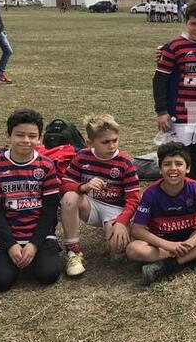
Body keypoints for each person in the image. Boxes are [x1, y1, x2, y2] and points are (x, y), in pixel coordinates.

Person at [126, 142, 196, 285]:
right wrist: (169, 246)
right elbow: (137, 229)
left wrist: (194, 240)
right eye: (167, 164)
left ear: (188, 168)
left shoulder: (194, 187)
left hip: (190, 238)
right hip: (162, 242)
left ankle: (167, 266)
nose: (173, 168)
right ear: (160, 169)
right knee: (133, 249)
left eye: (179, 164)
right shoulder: (151, 193)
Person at [0, 109, 62, 291]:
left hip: (41, 236)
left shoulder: (46, 166)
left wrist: (34, 244)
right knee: (0, 283)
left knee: (48, 275)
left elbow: (50, 210)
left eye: (32, 136)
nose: (26, 140)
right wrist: (10, 245)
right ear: (8, 135)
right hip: (11, 236)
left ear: (40, 139)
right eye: (20, 135)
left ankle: (45, 252)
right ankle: (8, 255)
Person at [60, 114, 140, 277]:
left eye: (115, 140)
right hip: (92, 204)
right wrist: (84, 186)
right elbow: (64, 183)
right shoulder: (82, 156)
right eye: (105, 142)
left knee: (117, 250)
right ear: (90, 143)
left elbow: (134, 199)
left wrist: (121, 221)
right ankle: (73, 252)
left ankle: (115, 231)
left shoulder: (126, 162)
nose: (112, 145)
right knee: (69, 197)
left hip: (116, 209)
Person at [153, 0, 196, 182]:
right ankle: (176, 192)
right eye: (193, 23)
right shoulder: (174, 46)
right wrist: (162, 111)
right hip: (179, 114)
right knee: (179, 156)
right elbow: (160, 80)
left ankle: (194, 192)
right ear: (186, 23)